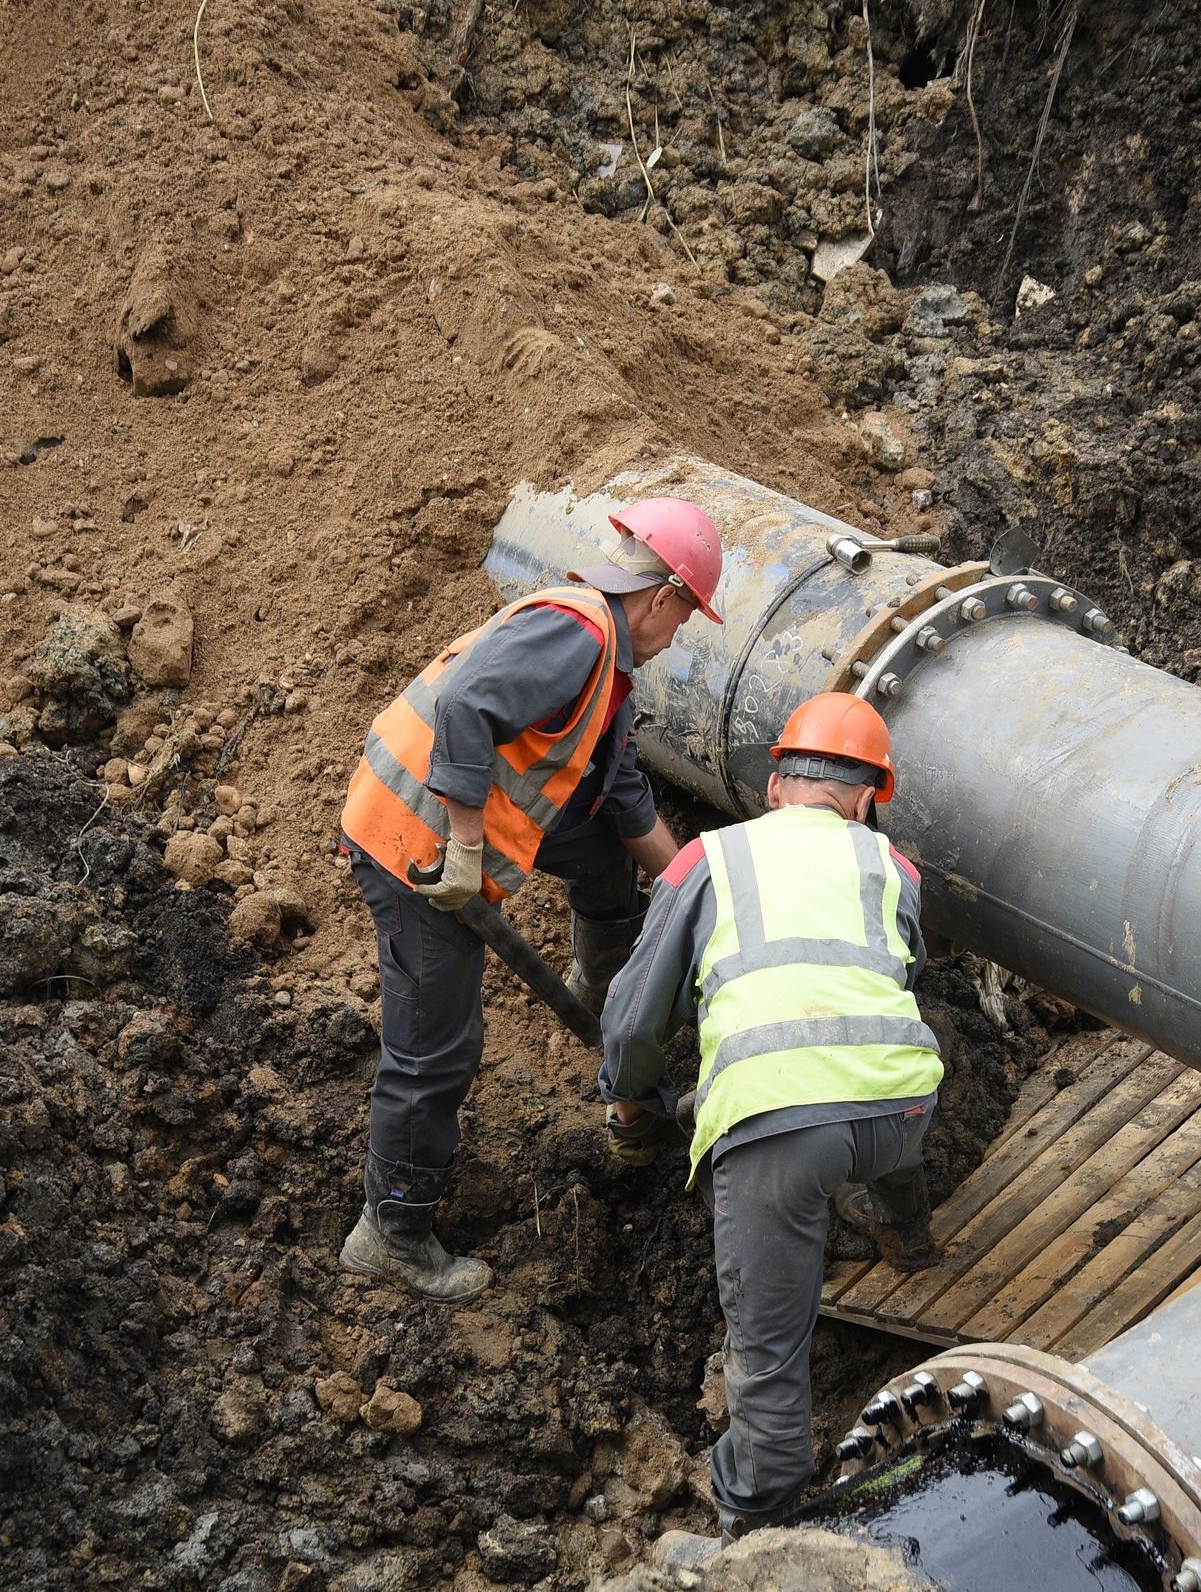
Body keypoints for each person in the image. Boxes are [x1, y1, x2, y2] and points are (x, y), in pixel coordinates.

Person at [335, 497, 725, 1301]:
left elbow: (618, 798)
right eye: (684, 621)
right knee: (437, 1046)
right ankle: (393, 1231)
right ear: (662, 599)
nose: (676, 637)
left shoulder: (608, 667)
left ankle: (601, 989)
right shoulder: (576, 633)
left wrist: (705, 889)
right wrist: (467, 850)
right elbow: (464, 708)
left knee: (604, 855)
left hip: (449, 827)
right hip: (415, 842)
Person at [596, 692, 943, 1534]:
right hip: (903, 1106)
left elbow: (634, 1017)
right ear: (867, 798)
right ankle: (908, 1232)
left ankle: (755, 1515)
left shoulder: (709, 858)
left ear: (777, 783)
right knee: (869, 1114)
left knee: (766, 1348)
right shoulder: (894, 869)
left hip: (783, 1131)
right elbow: (900, 977)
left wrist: (635, 1100)